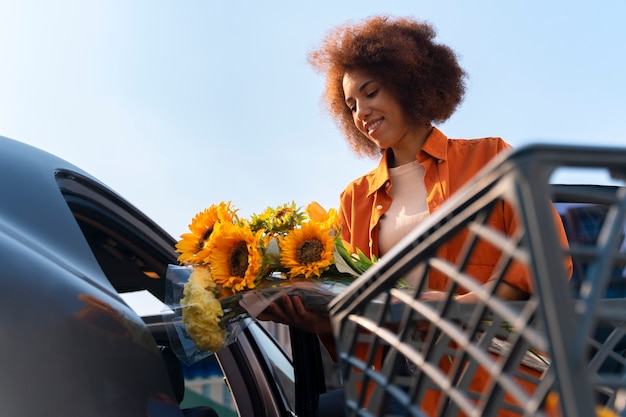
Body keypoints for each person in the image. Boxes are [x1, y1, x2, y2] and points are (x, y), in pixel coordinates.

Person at [259, 15, 572, 416]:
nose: (362, 112)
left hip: (494, 383)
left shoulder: (490, 158)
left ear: (409, 82)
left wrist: (460, 305)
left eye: (371, 93)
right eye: (351, 105)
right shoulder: (354, 200)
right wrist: (318, 322)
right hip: (403, 389)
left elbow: (544, 258)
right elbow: (361, 316)